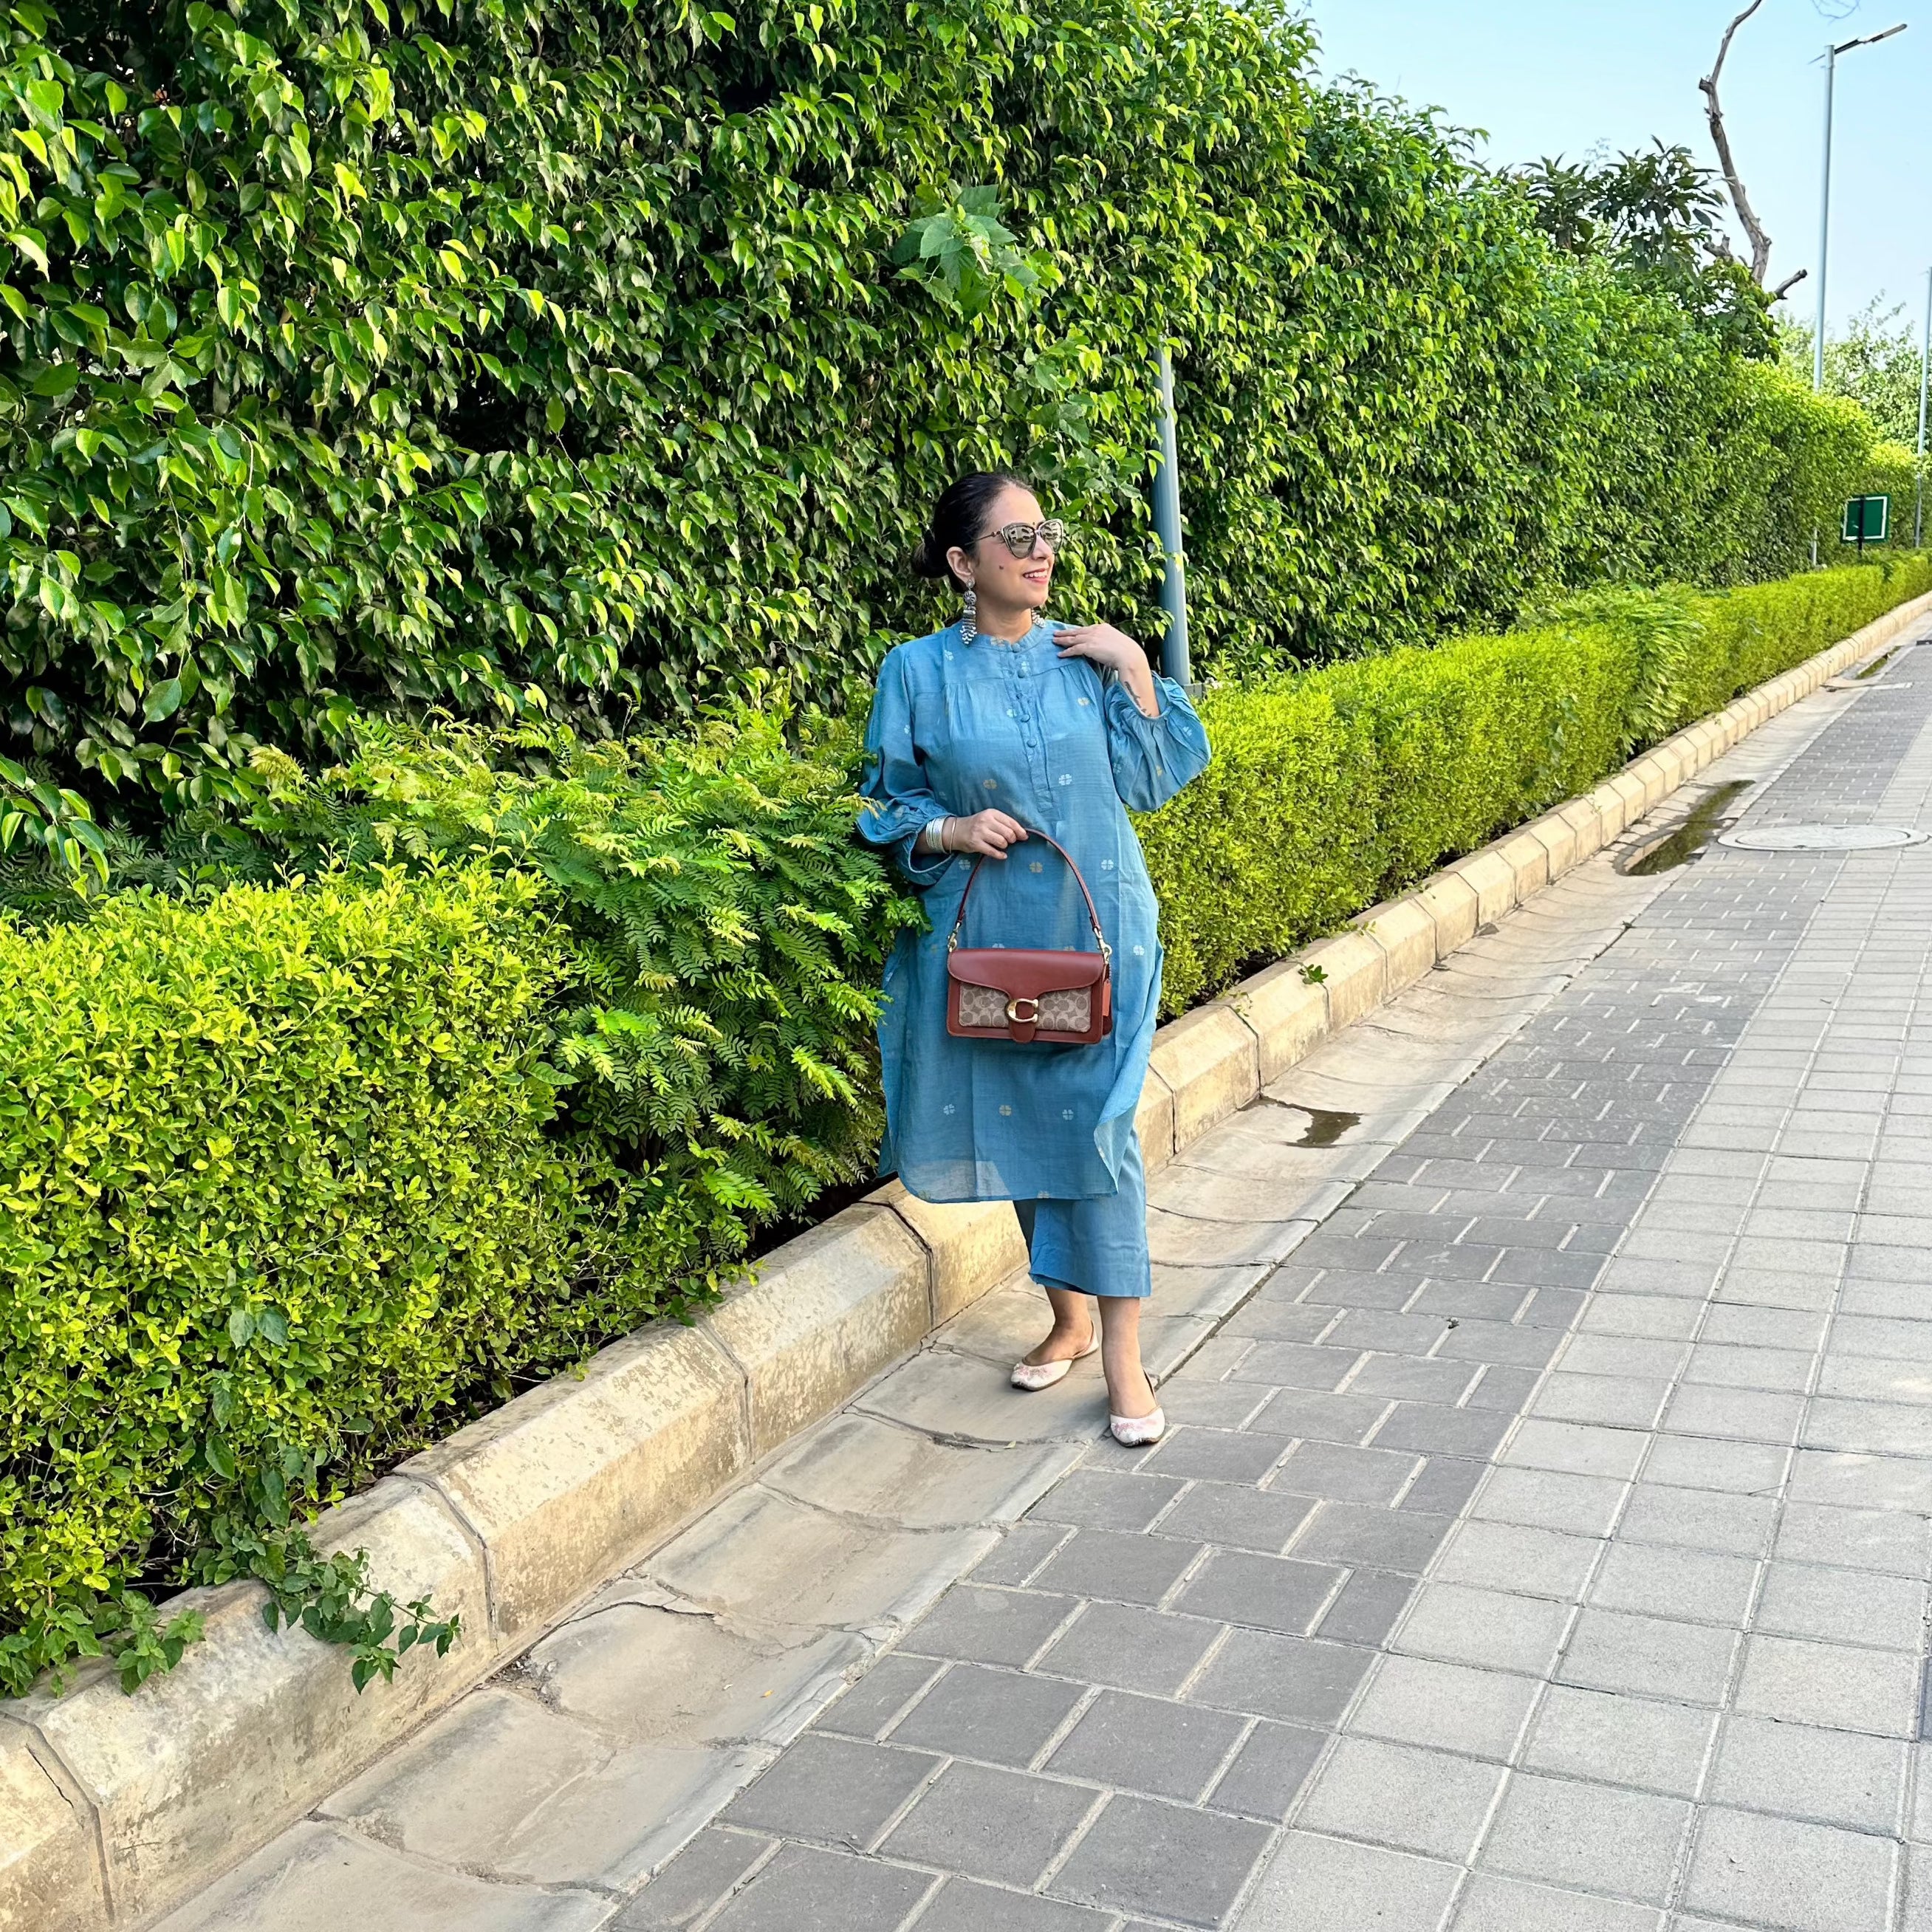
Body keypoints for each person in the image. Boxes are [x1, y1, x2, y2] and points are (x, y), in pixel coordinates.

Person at [857, 471, 1211, 1445]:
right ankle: (1066, 1319)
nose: (1039, 550)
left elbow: (1154, 780)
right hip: (996, 940)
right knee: (1022, 1125)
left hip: (1102, 930)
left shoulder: (1083, 657)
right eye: (1015, 539)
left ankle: (1125, 1361)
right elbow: (886, 801)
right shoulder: (915, 673)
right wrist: (949, 831)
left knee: (1100, 1132)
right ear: (964, 564)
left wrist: (1136, 667)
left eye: (1044, 533)